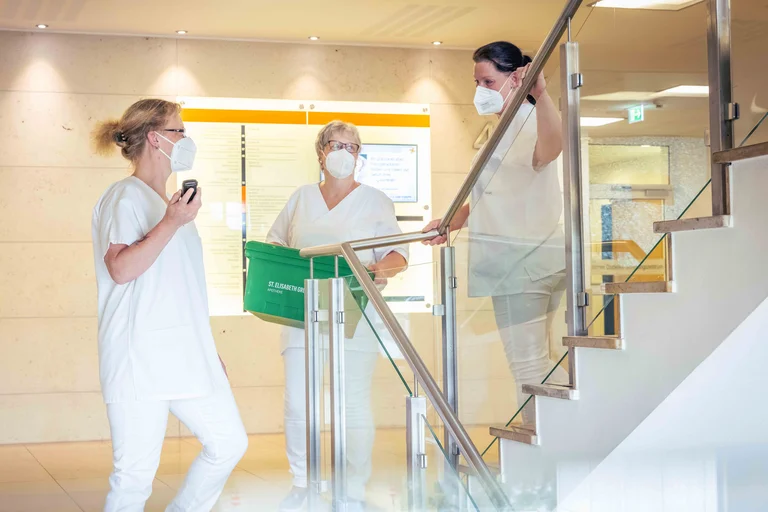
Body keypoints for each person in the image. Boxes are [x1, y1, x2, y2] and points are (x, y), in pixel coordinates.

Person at [91, 99, 248, 512]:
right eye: (180, 131)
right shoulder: (124, 197)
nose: (187, 139)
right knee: (134, 478)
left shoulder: (168, 205)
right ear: (156, 138)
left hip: (184, 354)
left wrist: (206, 348)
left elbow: (181, 288)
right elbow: (121, 269)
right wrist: (171, 223)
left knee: (229, 441)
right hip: (138, 358)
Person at [267, 121, 409, 511]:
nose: (345, 152)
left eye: (353, 146)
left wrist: (375, 273)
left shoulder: (377, 200)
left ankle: (352, 487)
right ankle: (303, 482)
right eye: (337, 144)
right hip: (302, 314)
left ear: (360, 156)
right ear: (321, 152)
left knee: (353, 403)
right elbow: (275, 244)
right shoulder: (300, 198)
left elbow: (397, 255)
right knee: (299, 403)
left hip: (355, 314)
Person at [424, 41, 567, 425]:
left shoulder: (526, 121)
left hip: (520, 262)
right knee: (538, 359)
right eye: (477, 81)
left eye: (488, 80)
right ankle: (575, 429)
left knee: (527, 363)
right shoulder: (503, 127)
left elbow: (551, 148)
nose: (480, 90)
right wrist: (454, 218)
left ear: (514, 78)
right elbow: (495, 192)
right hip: (534, 259)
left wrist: (540, 94)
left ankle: (549, 442)